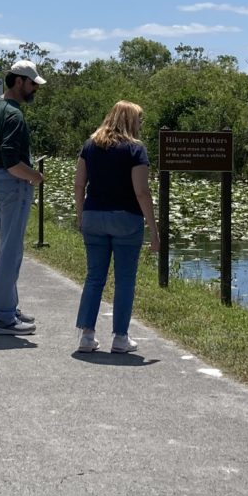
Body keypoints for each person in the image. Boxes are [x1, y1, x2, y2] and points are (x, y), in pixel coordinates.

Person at [73, 100, 158, 354]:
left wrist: (80, 216)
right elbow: (141, 191)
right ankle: (120, 337)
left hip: (93, 217)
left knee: (94, 277)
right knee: (124, 280)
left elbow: (79, 184)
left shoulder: (90, 145)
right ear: (130, 121)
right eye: (139, 120)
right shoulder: (136, 150)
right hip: (126, 220)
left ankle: (87, 336)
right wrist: (154, 229)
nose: (141, 125)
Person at [0, 59, 45, 336]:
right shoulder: (15, 115)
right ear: (19, 81)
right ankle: (3, 317)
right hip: (12, 182)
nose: (35, 90)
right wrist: (35, 176)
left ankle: (9, 307)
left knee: (10, 247)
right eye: (32, 84)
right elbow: (11, 160)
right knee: (11, 251)